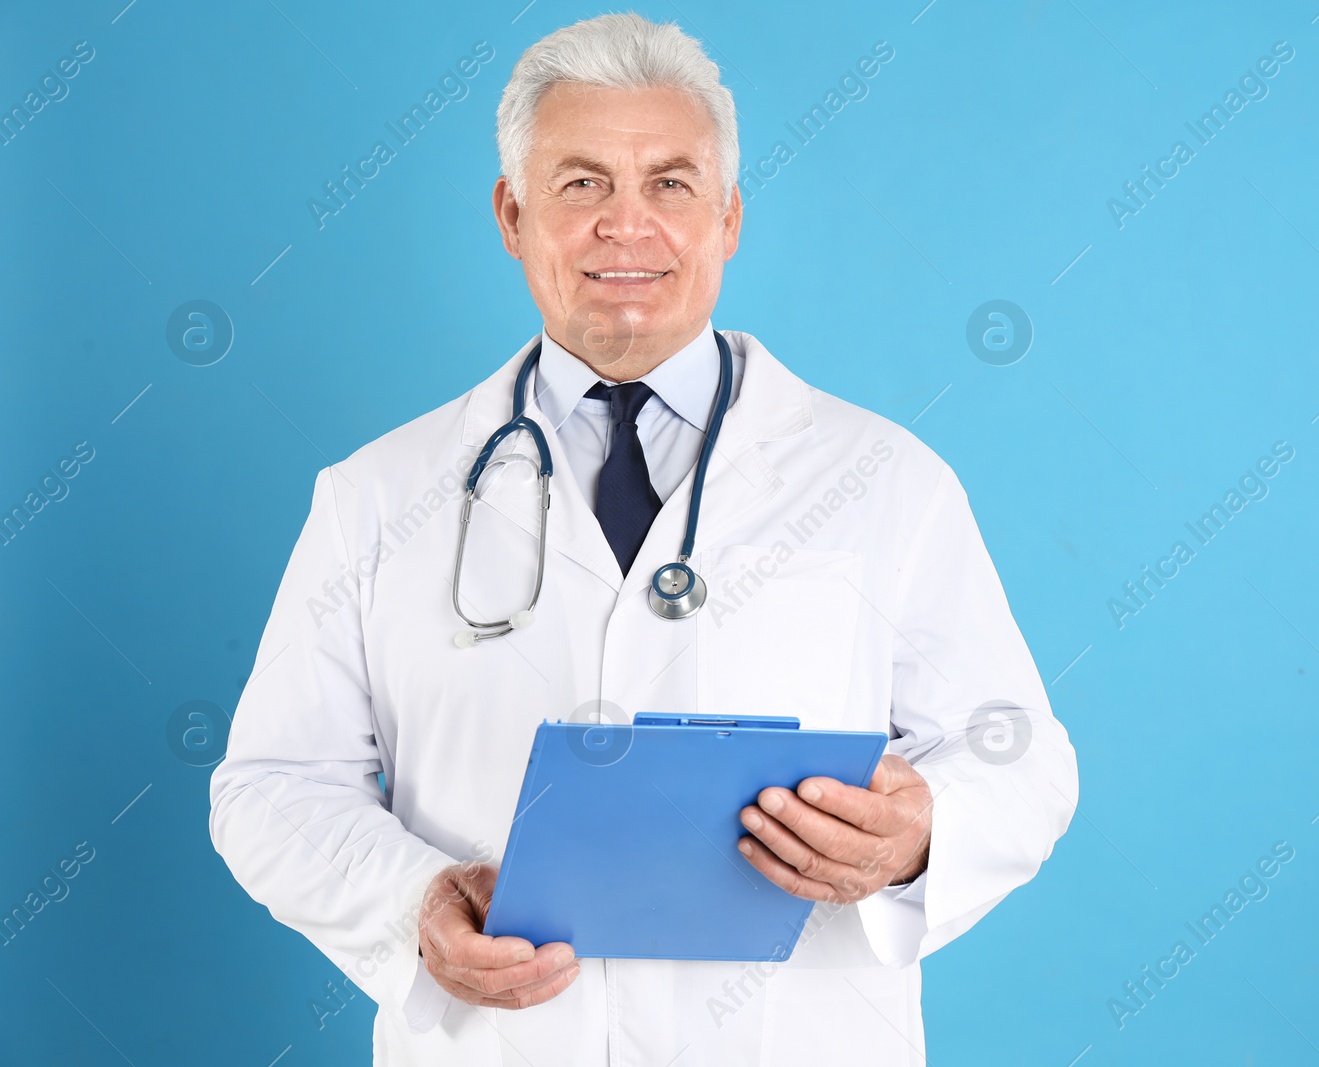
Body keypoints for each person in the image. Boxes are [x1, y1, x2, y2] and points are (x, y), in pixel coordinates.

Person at [209, 13, 1077, 1065]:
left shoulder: (885, 480)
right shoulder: (378, 494)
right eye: (581, 185)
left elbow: (1017, 751)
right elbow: (272, 785)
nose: (629, 227)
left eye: (670, 184)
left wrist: (919, 836)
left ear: (729, 218)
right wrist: (411, 904)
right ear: (511, 214)